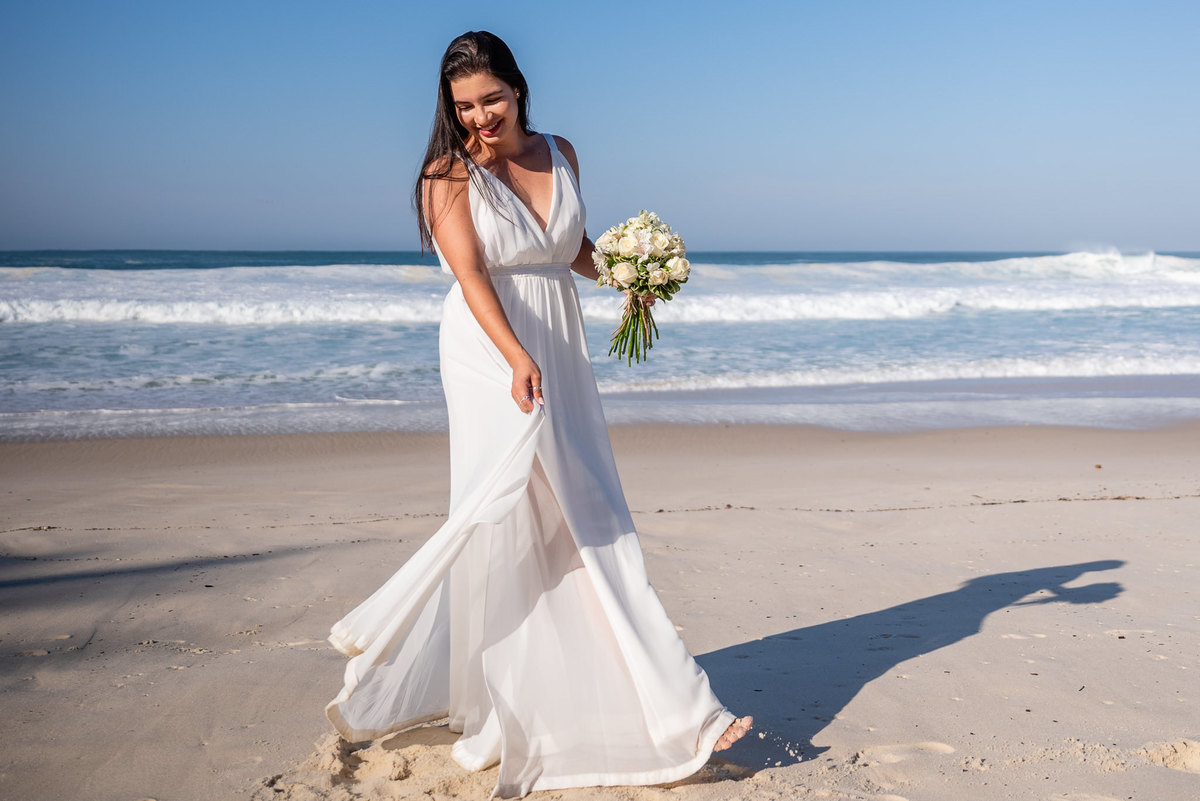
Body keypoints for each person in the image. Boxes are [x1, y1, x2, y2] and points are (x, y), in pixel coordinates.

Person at [325, 30, 751, 797]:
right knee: (526, 515)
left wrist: (624, 273)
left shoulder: (561, 151)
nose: (480, 117)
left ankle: (521, 703)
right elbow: (473, 275)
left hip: (559, 344)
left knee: (585, 506)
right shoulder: (446, 172)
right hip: (493, 350)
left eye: (491, 99)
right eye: (464, 106)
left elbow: (567, 246)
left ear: (518, 89)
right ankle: (674, 706)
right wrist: (517, 357)